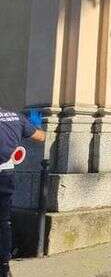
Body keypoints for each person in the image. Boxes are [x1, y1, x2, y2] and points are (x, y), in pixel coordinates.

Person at [0, 107, 45, 277]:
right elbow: (41, 137)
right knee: (3, 222)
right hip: (5, 174)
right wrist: (36, 124)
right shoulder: (15, 117)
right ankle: (4, 267)